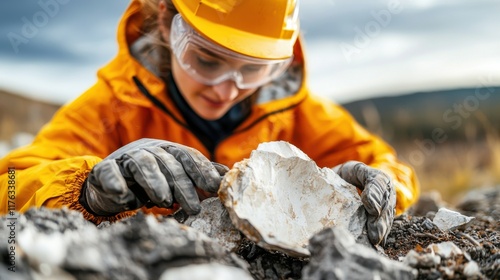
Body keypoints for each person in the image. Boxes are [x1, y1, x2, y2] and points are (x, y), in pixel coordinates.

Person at [0, 0, 419, 246]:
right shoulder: (111, 106)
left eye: (253, 70)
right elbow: (10, 187)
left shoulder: (296, 110)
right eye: (206, 59)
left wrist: (372, 184)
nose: (227, 89)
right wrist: (87, 189)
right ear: (165, 22)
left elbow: (385, 164)